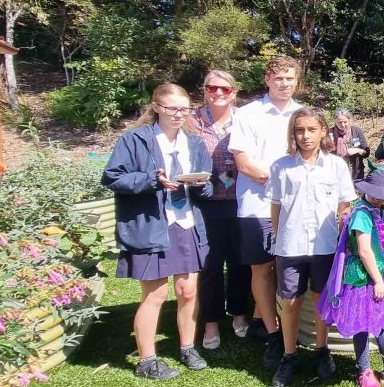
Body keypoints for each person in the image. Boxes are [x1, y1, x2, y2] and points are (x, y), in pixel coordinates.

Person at [102, 83, 212, 380]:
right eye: (173, 109)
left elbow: (209, 184)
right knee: (156, 295)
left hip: (187, 223)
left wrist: (202, 184)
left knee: (188, 291)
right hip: (152, 226)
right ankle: (147, 359)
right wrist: (152, 180)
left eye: (185, 109)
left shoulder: (195, 143)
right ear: (157, 107)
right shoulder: (134, 139)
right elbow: (112, 177)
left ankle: (188, 347)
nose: (179, 115)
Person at [269, 107, 358, 387]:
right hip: (290, 247)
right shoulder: (281, 167)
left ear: (323, 132)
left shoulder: (336, 165)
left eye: (311, 130)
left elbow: (345, 204)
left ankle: (322, 350)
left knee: (322, 301)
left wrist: (342, 238)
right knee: (291, 302)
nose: (305, 136)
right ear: (293, 133)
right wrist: (279, 235)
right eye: (299, 130)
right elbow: (276, 206)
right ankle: (289, 354)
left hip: (325, 246)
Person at [228, 56, 302, 365]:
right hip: (258, 205)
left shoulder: (302, 114)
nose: (284, 83)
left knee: (287, 266)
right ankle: (273, 334)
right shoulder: (248, 114)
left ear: (297, 81)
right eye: (278, 78)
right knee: (261, 266)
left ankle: (281, 325)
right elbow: (244, 163)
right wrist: (282, 183)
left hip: (297, 207)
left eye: (290, 78)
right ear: (267, 80)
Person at [318, 168, 384, 387]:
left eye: (383, 195)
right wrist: (378, 280)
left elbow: (382, 244)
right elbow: (365, 251)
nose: (379, 198)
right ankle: (364, 371)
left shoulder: (379, 209)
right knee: (362, 324)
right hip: (364, 279)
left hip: (381, 273)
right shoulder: (362, 214)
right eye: (375, 193)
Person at [190, 70, 251, 350]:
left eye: (225, 89)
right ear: (204, 89)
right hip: (205, 203)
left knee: (240, 262)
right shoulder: (191, 121)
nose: (218, 93)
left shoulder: (245, 119)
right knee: (210, 264)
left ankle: (239, 313)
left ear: (234, 92)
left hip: (241, 200)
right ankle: (211, 320)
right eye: (212, 87)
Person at [331, 108, 371, 180]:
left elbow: (366, 153)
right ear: (335, 121)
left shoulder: (356, 131)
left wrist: (357, 150)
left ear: (349, 120)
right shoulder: (330, 133)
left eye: (345, 122)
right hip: (336, 174)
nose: (343, 125)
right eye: (339, 122)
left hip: (356, 173)